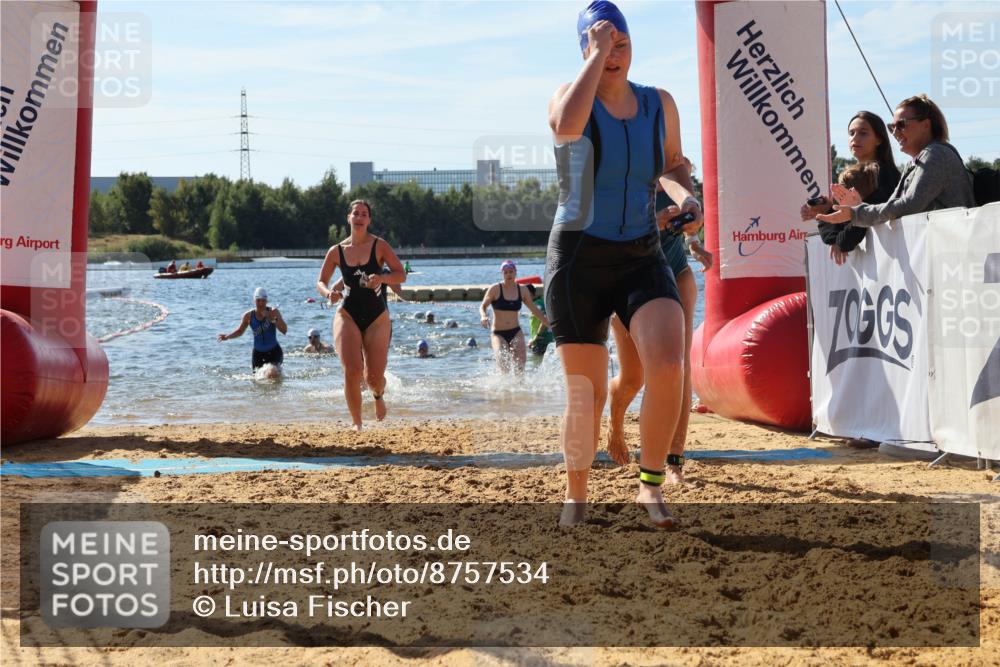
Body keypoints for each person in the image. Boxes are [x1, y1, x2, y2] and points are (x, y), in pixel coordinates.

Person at [545, 1, 700, 527]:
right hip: (578, 259)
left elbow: (674, 163)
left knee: (668, 360)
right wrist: (596, 54)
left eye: (623, 44)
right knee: (584, 393)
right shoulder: (568, 97)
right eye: (604, 44)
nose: (615, 53)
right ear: (586, 49)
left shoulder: (660, 103)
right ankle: (576, 495)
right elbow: (567, 130)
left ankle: (651, 485)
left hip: (640, 253)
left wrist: (685, 197)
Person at [606, 177, 712, 484]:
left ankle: (674, 462)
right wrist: (653, 222)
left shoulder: (675, 170)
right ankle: (615, 420)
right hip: (628, 277)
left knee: (680, 368)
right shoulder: (617, 172)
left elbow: (686, 221)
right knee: (633, 378)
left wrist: (694, 241)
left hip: (676, 273)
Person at [817, 95, 974, 228]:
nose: (895, 132)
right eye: (892, 127)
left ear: (926, 125)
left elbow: (908, 205)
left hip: (952, 252)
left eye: (901, 124)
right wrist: (852, 210)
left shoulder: (936, 154)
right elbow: (892, 206)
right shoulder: (914, 162)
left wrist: (855, 212)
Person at [316, 200, 406, 431]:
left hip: (377, 317)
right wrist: (329, 293)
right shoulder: (336, 251)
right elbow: (321, 281)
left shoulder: (380, 245)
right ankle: (357, 423)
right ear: (349, 218)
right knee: (353, 370)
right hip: (347, 313)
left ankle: (378, 396)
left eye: (364, 214)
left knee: (374, 378)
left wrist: (383, 279)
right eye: (355, 213)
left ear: (369, 220)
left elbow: (400, 275)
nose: (359, 217)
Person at [802, 111, 902, 264]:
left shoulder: (887, 174)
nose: (855, 138)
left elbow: (865, 217)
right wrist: (827, 211)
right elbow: (836, 233)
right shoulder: (849, 175)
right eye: (851, 133)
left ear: (879, 139)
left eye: (863, 133)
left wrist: (840, 240)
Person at [480, 260, 549, 373]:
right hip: (498, 333)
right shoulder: (495, 289)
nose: (509, 274)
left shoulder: (522, 290)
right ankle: (505, 389)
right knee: (504, 366)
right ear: (502, 274)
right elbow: (483, 306)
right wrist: (483, 316)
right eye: (506, 272)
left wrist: (549, 324)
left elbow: (535, 310)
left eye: (511, 271)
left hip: (515, 332)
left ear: (515, 272)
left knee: (520, 367)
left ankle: (519, 390)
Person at [217, 287, 287, 371]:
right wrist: (227, 336)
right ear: (254, 301)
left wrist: (271, 317)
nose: (261, 303)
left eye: (263, 300)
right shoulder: (248, 315)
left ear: (266, 301)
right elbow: (240, 331)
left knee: (272, 372)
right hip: (258, 353)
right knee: (258, 380)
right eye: (258, 301)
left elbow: (284, 330)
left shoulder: (273, 312)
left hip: (274, 351)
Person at [525, 284, 554, 357]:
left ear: (530, 294)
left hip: (541, 339)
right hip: (547, 338)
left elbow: (545, 319)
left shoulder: (537, 305)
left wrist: (536, 337)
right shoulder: (541, 300)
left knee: (537, 360)